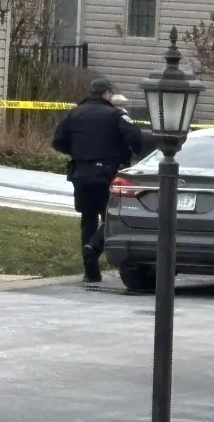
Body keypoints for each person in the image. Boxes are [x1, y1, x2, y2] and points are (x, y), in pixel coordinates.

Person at [52, 79, 143, 283]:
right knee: (110, 216)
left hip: (80, 172)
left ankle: (90, 272)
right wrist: (128, 154)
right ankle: (94, 247)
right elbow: (135, 139)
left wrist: (77, 152)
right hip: (107, 172)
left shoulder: (74, 113)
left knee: (88, 217)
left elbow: (57, 141)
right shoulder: (115, 115)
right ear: (107, 94)